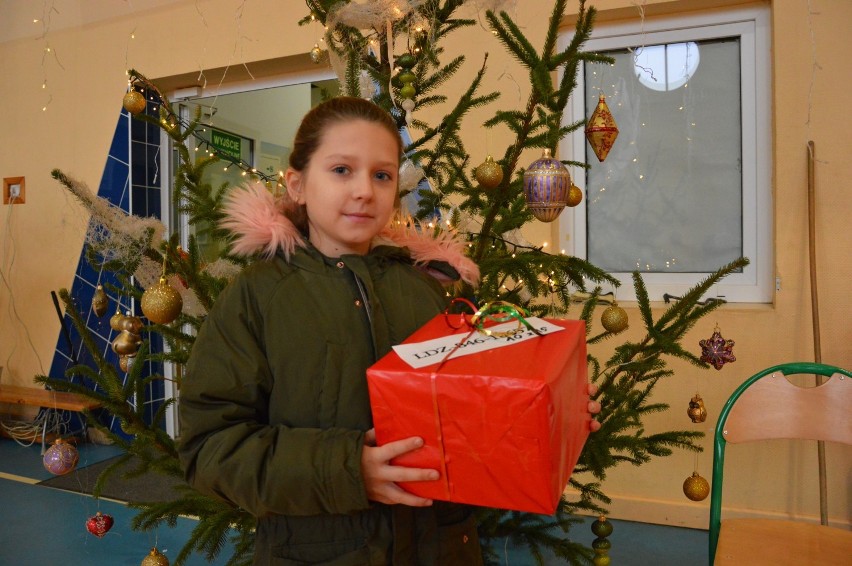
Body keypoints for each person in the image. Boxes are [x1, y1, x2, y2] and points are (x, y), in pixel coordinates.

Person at [177, 96, 599, 566]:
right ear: (297, 183)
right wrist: (347, 469)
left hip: (442, 548)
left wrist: (555, 413)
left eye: (382, 175)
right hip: (322, 553)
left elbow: (473, 409)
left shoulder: (427, 288)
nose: (364, 191)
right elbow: (208, 448)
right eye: (341, 170)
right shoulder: (258, 298)